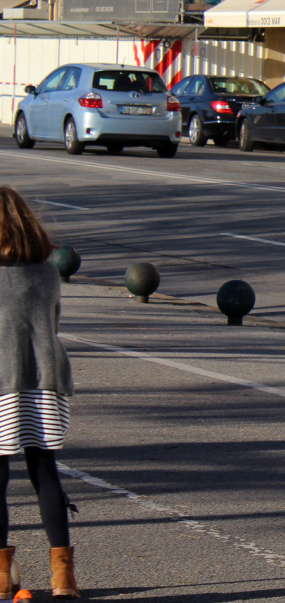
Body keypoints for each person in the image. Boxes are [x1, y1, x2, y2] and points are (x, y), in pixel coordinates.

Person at [0, 187, 78, 599]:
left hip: (0, 385)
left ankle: (0, 576)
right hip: (44, 383)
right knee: (45, 474)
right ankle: (63, 579)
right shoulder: (47, 270)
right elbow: (53, 322)